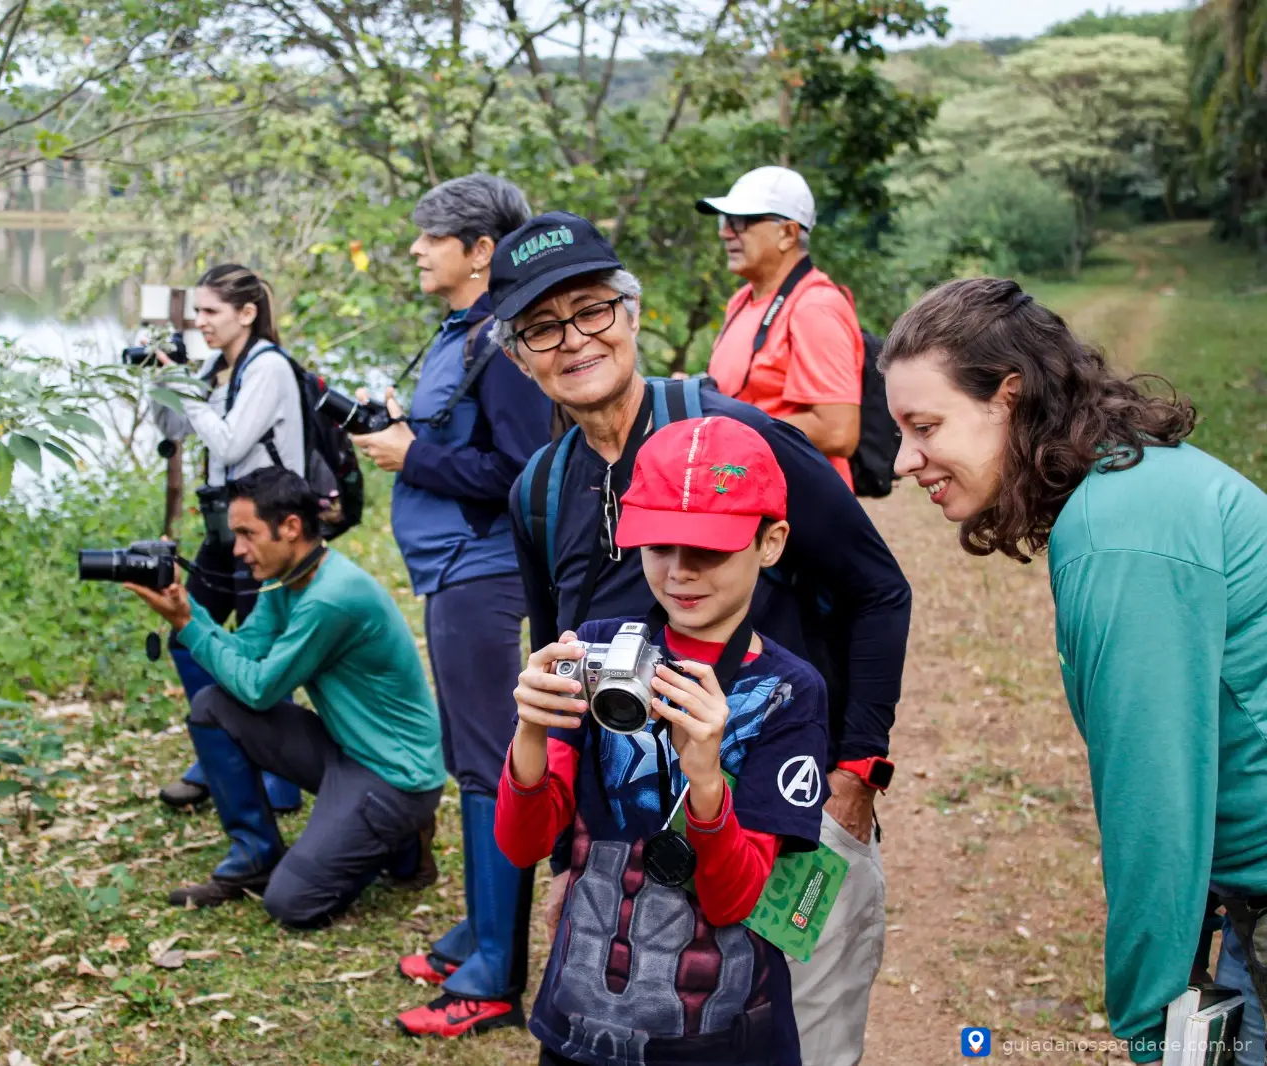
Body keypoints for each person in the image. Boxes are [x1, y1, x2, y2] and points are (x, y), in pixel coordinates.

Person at [491, 211, 910, 1066]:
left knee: (798, 1032)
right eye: (542, 327)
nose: (573, 340)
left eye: (593, 311)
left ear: (633, 314)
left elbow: (878, 588)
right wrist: (571, 862)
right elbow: (558, 658)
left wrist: (857, 767)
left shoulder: (740, 438)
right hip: (628, 841)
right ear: (519, 356)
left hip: (777, 801)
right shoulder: (540, 490)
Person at [879, 277, 1267, 1066]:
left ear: (1009, 398)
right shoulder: (1128, 485)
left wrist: (1152, 1032)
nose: (903, 459)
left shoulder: (1122, 529)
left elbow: (1156, 805)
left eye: (925, 426)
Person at [496, 415, 830, 1065]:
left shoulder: (790, 693)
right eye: (659, 545)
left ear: (771, 542)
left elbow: (737, 900)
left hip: (721, 1036)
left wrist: (706, 778)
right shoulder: (595, 648)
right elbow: (523, 844)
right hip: (580, 1019)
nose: (681, 571)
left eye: (709, 547)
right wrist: (530, 734)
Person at [348, 174, 553, 1038]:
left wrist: (412, 457)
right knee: (474, 756)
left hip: (481, 568)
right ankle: (479, 929)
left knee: (484, 764)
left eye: (432, 236)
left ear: (480, 252)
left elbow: (520, 473)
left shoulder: (505, 344)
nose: (416, 249)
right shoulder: (463, 333)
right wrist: (408, 429)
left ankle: (495, 977)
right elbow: (462, 439)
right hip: (448, 567)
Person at [127, 467, 447, 924]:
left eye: (247, 534)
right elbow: (247, 654)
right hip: (344, 751)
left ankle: (402, 840)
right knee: (212, 707)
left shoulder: (330, 597)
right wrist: (188, 610)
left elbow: (260, 690)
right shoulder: (288, 580)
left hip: (394, 776)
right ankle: (255, 855)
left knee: (292, 903)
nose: (237, 549)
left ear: (291, 527)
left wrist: (187, 627)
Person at [153, 263, 301, 816]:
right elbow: (174, 432)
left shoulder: (268, 367)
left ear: (247, 313)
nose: (201, 323)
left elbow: (233, 443)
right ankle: (220, 752)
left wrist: (189, 393)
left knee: (262, 653)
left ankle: (278, 779)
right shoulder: (219, 367)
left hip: (268, 531)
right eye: (197, 312)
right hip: (224, 528)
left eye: (211, 311)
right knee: (187, 635)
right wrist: (164, 387)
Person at [698, 166, 864, 490]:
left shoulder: (814, 307)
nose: (725, 233)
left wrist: (728, 425)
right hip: (749, 493)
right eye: (724, 221)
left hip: (801, 504)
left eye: (741, 222)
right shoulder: (741, 301)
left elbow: (838, 431)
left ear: (787, 234)